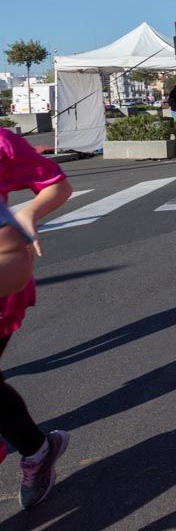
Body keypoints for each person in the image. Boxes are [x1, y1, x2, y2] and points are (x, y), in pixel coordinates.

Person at [1, 128, 73, 509]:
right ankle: (36, 448)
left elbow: (56, 185)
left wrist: (27, 212)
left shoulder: (1, 142)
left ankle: (36, 450)